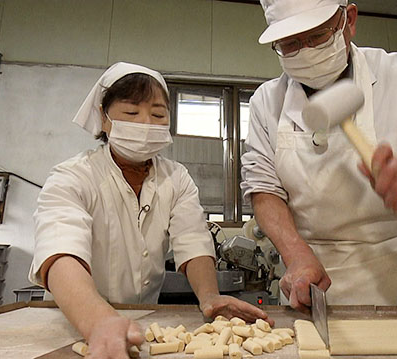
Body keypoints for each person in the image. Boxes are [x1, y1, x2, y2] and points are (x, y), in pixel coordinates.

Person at [241, 0, 397, 312]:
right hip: (305, 285)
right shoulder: (266, 102)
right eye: (290, 44)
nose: (305, 51)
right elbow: (264, 189)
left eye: (317, 36)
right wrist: (295, 254)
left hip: (394, 285)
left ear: (349, 19)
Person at [29, 62, 271, 358]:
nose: (146, 124)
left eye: (157, 114)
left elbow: (193, 241)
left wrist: (210, 297)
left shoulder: (176, 177)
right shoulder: (73, 176)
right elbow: (60, 253)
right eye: (131, 113)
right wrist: (97, 320)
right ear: (104, 120)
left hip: (140, 324)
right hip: (73, 325)